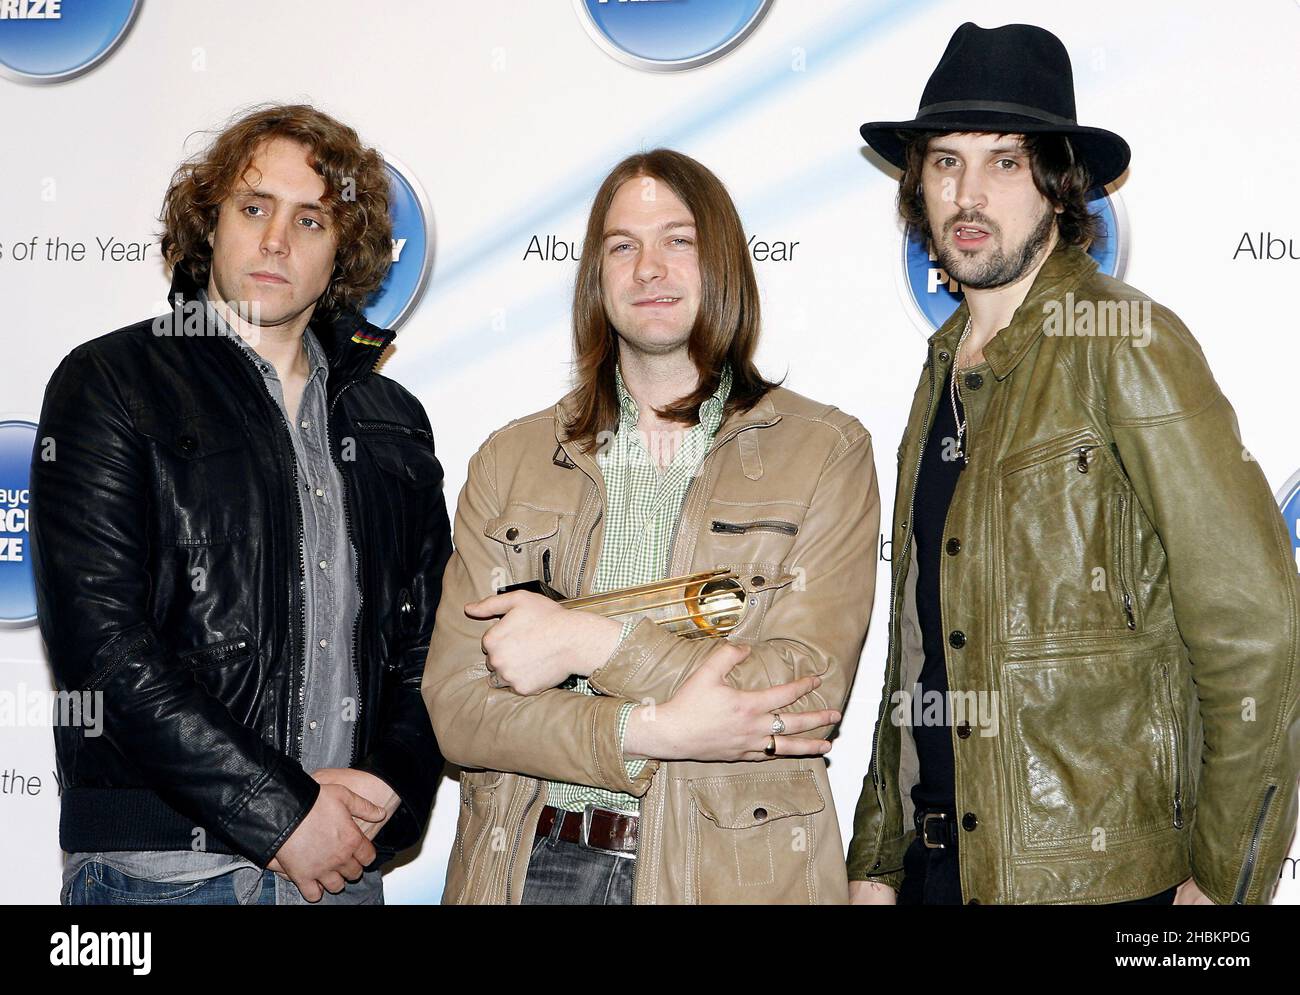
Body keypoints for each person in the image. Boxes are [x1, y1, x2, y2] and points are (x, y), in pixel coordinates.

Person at [846, 22, 1300, 905]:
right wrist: (875, 856)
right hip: (939, 874)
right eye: (945, 162)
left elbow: (1259, 632)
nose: (968, 194)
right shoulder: (940, 368)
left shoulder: (1126, 342)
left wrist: (1222, 888)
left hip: (1098, 886)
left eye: (1005, 162)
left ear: (1061, 185)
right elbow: (918, 653)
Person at [422, 148, 879, 904]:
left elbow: (802, 691)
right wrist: (647, 732)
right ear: (596, 277)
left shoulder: (823, 451)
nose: (648, 268)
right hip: (528, 868)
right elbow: (461, 708)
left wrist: (588, 642)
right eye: (622, 245)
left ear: (724, 263)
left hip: (725, 876)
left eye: (679, 240)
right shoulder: (511, 458)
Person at [31, 103, 451, 905]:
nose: (275, 241)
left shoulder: (390, 419)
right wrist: (283, 812)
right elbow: (102, 646)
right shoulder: (114, 382)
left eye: (312, 219)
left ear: (345, 252)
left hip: (342, 873)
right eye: (254, 207)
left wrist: (385, 793)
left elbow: (428, 642)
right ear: (209, 222)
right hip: (162, 875)